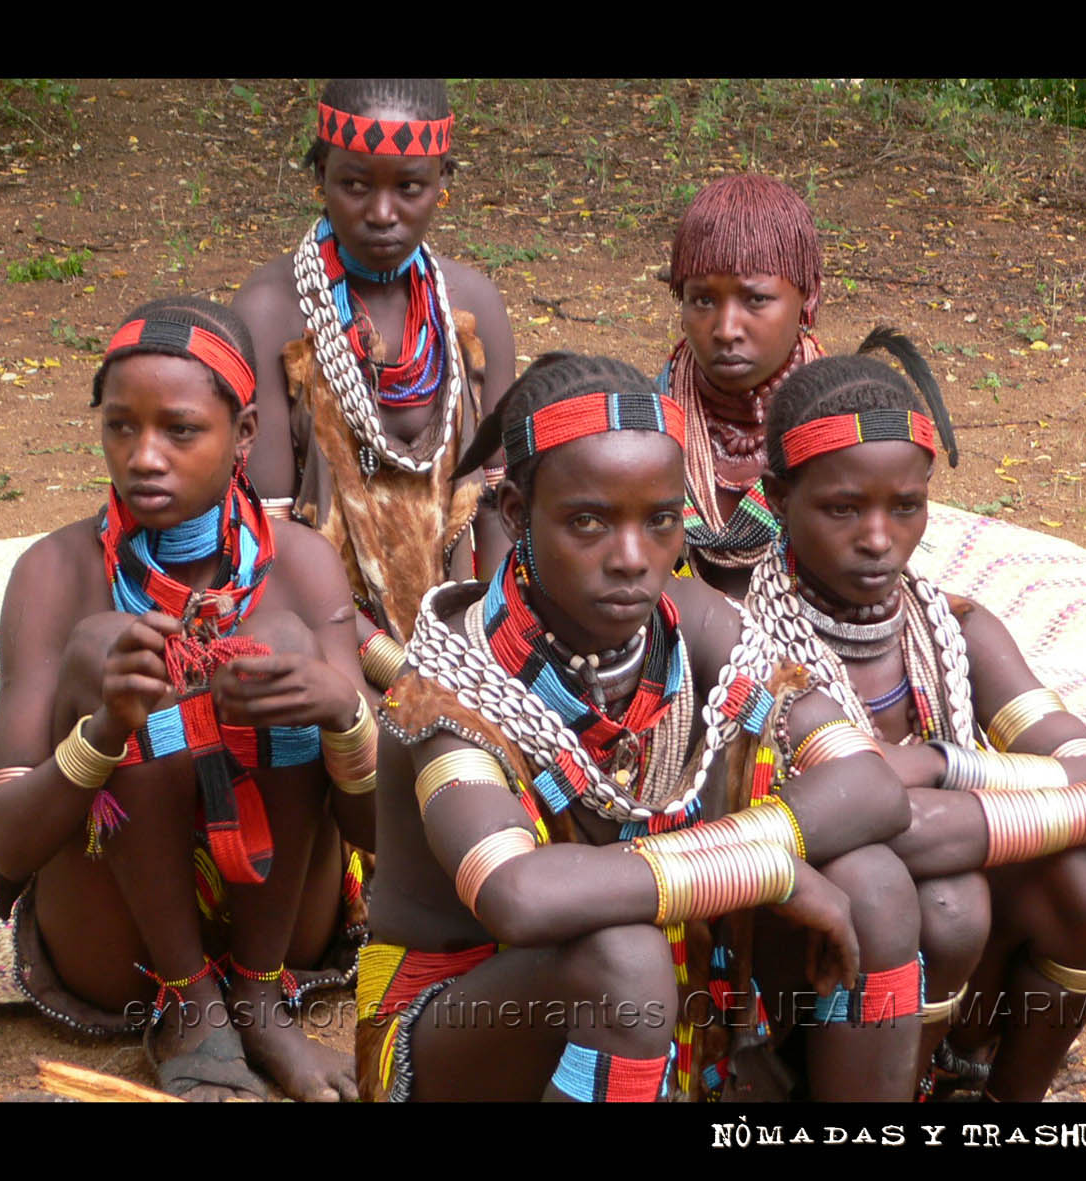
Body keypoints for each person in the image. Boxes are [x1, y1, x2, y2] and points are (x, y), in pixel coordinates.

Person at [359, 352, 926, 1102]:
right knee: (619, 960)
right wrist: (769, 868)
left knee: (876, 884)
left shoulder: (688, 623)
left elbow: (867, 783)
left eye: (660, 521)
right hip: (456, 1029)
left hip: (667, 972)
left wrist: (745, 860)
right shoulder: (446, 686)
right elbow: (518, 894)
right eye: (588, 521)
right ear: (517, 517)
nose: (632, 559)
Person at [743, 329, 1086, 1101]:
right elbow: (880, 817)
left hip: (953, 937)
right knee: (945, 900)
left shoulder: (957, 628)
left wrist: (939, 766)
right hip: (806, 956)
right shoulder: (756, 653)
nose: (878, 538)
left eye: (904, 506)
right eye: (842, 507)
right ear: (777, 499)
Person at [0, 297, 376, 1102]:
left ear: (246, 435)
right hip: (118, 932)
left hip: (281, 909)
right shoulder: (53, 574)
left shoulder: (300, 564)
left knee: (287, 648)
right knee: (108, 647)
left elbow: (378, 832)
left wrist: (343, 713)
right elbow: (9, 844)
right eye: (121, 426)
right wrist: (103, 731)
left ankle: (260, 1002)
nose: (144, 456)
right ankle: (189, 1003)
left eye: (180, 429)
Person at [232, 78, 517, 684]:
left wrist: (492, 643)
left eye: (409, 186)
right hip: (319, 624)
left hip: (467, 624)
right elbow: (270, 531)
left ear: (442, 183)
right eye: (355, 184)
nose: (382, 213)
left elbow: (497, 505)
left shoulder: (474, 306)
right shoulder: (272, 311)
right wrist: (393, 664)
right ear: (321, 177)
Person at [657, 174, 836, 598]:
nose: (725, 329)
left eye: (755, 299)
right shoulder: (649, 423)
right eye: (702, 300)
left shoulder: (843, 432)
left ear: (809, 297)